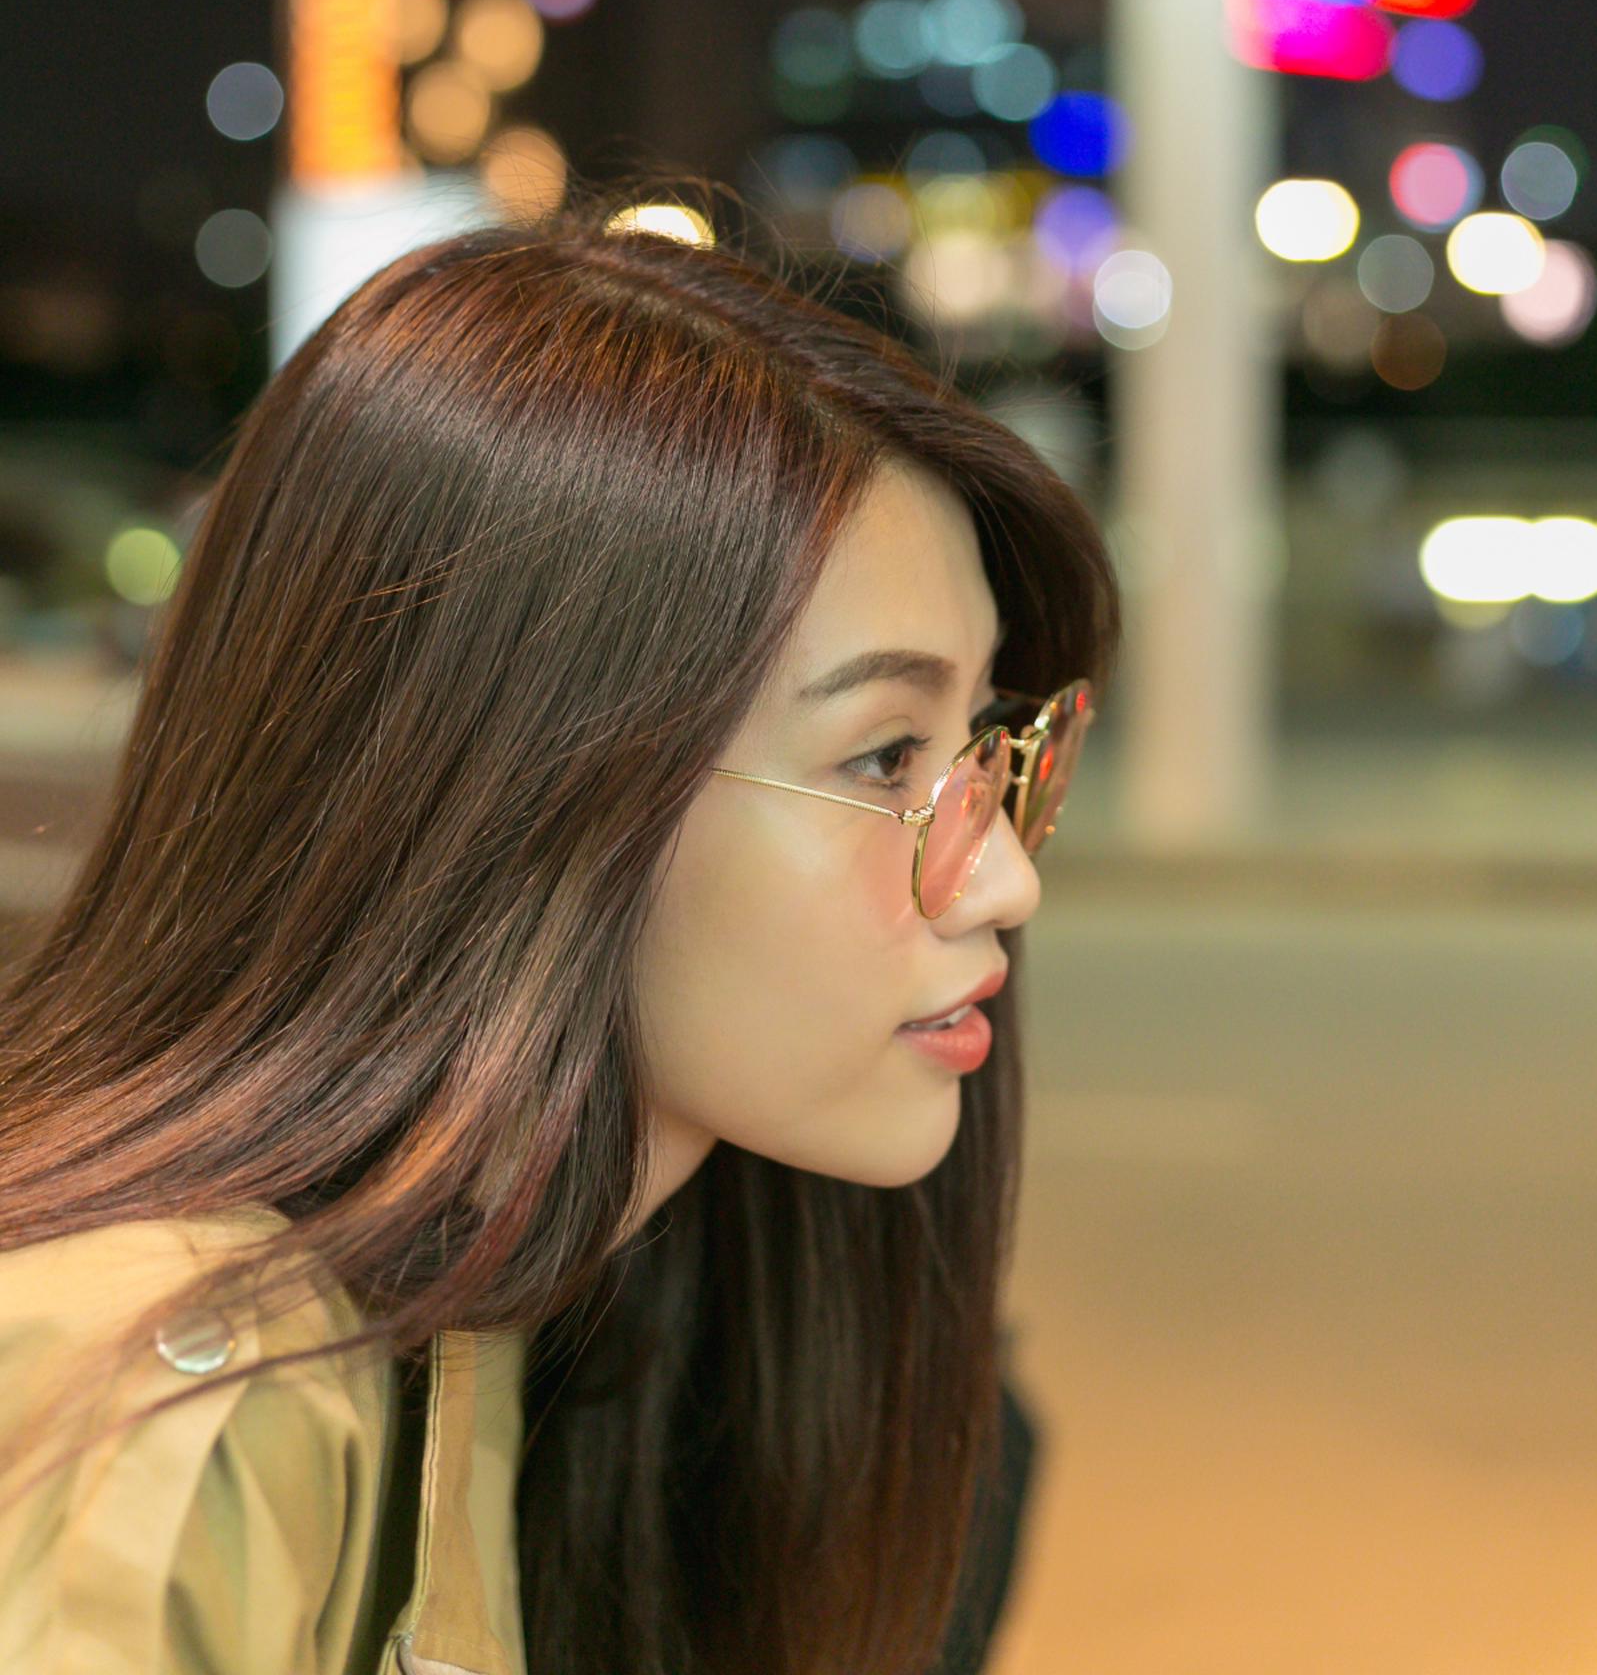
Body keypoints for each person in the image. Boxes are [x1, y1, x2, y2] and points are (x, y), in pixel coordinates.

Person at [0, 180, 1119, 1675]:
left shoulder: (587, 1316)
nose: (1002, 880)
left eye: (986, 745)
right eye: (882, 757)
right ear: (520, 785)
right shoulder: (171, 1416)